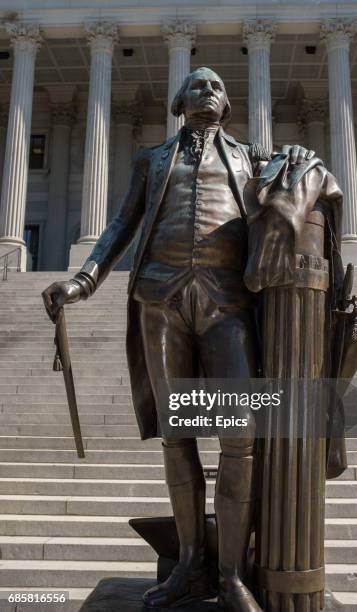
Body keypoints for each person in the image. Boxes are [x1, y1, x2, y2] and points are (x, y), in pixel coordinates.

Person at [43, 67, 315, 612]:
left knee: (239, 438)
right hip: (160, 301)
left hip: (227, 304)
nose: (207, 92)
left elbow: (298, 191)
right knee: (178, 438)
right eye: (197, 86)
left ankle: (233, 573)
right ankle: (190, 563)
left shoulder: (251, 159)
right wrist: (82, 280)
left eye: (217, 86)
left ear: (229, 104)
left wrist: (301, 161)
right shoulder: (152, 159)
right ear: (178, 101)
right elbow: (121, 225)